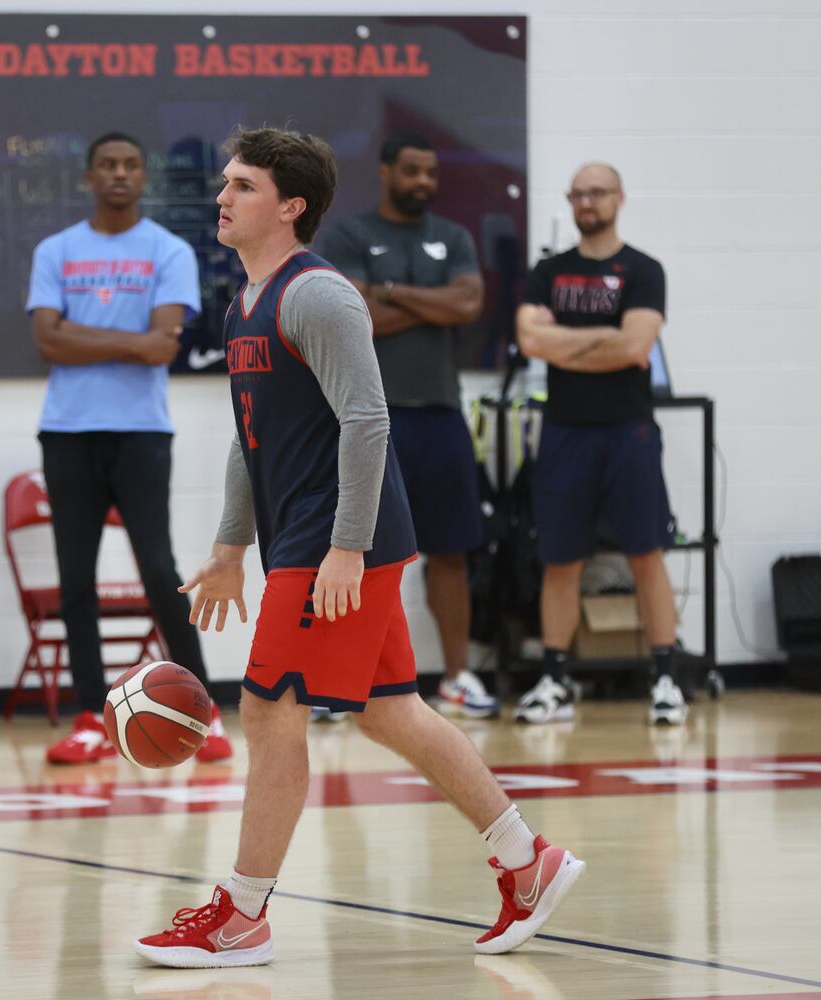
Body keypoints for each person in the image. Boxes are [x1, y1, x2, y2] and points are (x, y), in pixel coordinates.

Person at [133, 127, 583, 969]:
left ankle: (242, 915)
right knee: (388, 709)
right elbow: (249, 435)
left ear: (289, 205)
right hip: (309, 538)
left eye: (241, 185)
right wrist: (231, 547)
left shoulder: (319, 296)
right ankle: (529, 862)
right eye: (223, 184)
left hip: (337, 541)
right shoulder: (244, 303)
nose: (221, 197)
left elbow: (367, 421)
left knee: (269, 711)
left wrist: (346, 547)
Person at [26, 132, 231, 764]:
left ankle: (206, 712)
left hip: (142, 431)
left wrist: (82, 335)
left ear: (144, 177)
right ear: (88, 177)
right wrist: (128, 341)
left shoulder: (166, 251)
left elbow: (162, 347)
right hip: (67, 429)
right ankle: (90, 715)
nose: (119, 173)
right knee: (75, 576)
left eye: (131, 165)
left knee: (158, 566)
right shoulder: (55, 250)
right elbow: (47, 342)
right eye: (108, 165)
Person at [319, 132, 497, 720]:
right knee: (357, 552)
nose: (424, 181)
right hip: (372, 420)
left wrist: (390, 291)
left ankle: (457, 677)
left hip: (442, 415)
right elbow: (355, 316)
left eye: (431, 173)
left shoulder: (452, 236)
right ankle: (343, 681)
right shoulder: (350, 235)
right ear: (387, 171)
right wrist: (430, 303)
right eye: (413, 171)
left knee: (451, 551)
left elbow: (468, 305)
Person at [515, 163, 686, 726]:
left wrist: (566, 341)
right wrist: (605, 340)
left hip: (628, 430)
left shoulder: (643, 270)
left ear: (619, 198)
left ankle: (665, 679)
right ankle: (556, 680)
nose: (586, 202)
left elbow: (637, 345)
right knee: (560, 559)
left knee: (645, 553)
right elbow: (529, 339)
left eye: (597, 193)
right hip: (565, 431)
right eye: (577, 194)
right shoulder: (548, 272)